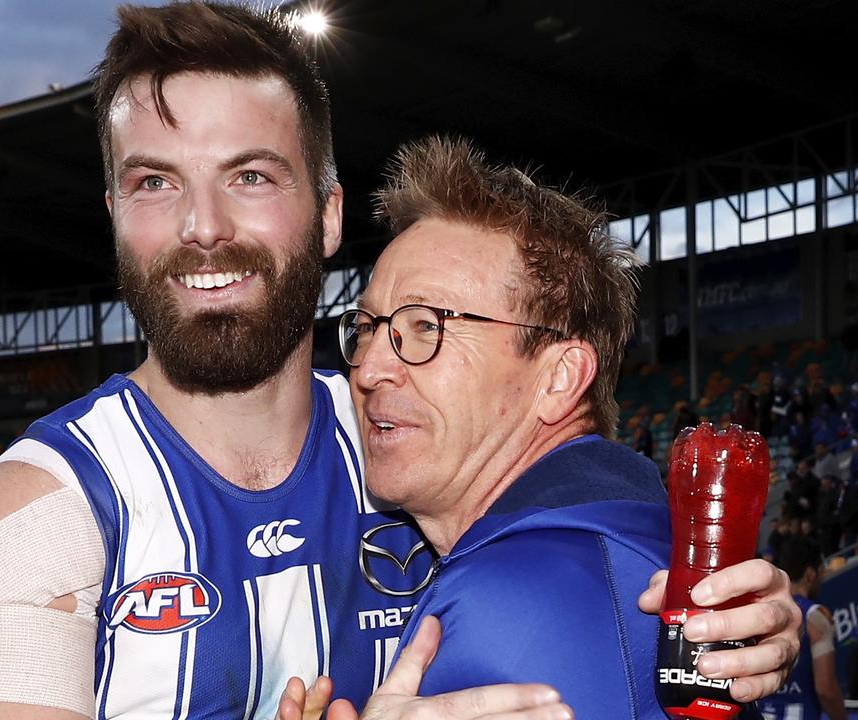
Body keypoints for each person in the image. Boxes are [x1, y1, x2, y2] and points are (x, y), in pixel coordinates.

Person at [0, 5, 800, 719]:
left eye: (249, 176)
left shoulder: (405, 444)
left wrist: (750, 623)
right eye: (154, 182)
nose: (202, 226)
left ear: (326, 213)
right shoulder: (46, 511)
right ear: (114, 213)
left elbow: (591, 523)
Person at [299, 136, 800, 720]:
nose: (370, 368)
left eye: (425, 326)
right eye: (366, 327)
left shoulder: (502, 602)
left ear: (560, 378)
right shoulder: (646, 542)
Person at [758, 538, 847, 720]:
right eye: (822, 572)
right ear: (810, 574)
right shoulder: (816, 615)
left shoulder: (763, 612)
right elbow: (825, 689)